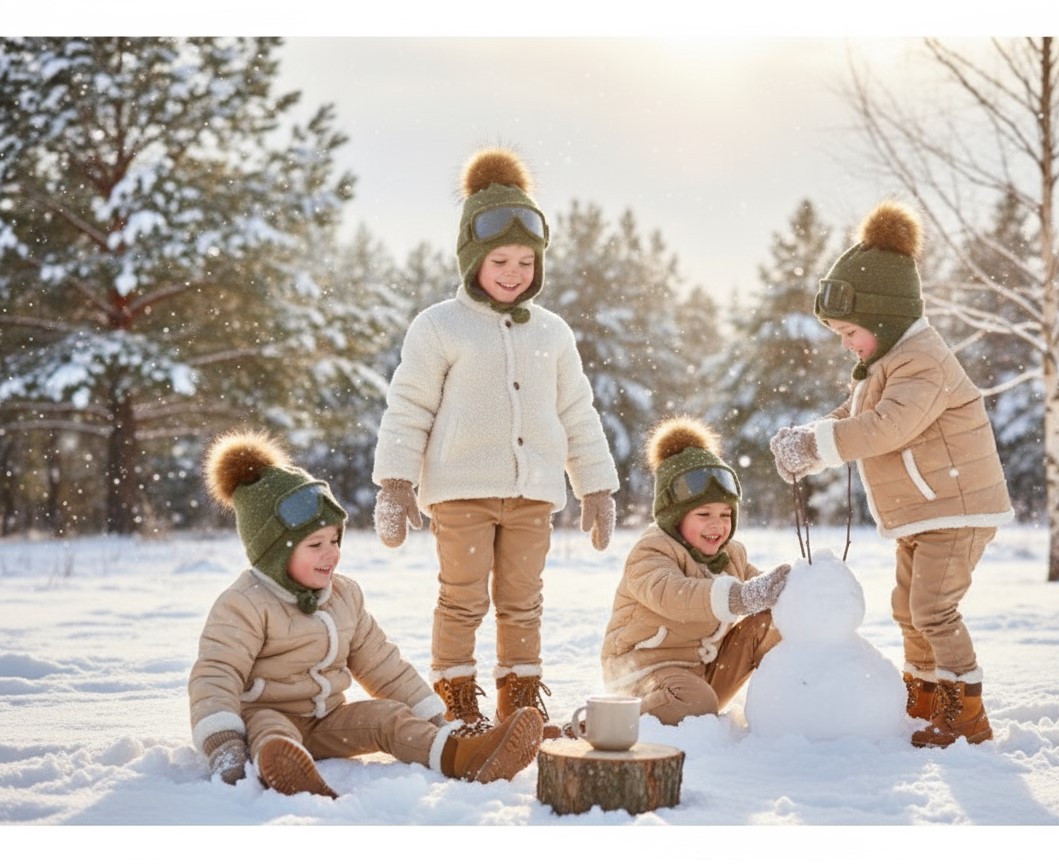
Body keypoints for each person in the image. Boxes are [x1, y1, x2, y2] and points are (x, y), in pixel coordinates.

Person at [371, 147, 619, 738]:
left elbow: (577, 412)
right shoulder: (439, 326)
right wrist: (395, 481)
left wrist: (597, 486)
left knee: (522, 601)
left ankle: (521, 706)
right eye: (500, 259)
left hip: (533, 493)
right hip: (461, 491)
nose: (513, 272)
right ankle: (456, 705)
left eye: (526, 261)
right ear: (472, 260)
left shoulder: (555, 333)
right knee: (462, 599)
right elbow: (408, 408)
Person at [769, 200, 1014, 748]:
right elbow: (856, 418)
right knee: (907, 609)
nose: (845, 343)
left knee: (933, 608)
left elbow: (886, 427)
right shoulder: (885, 364)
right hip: (925, 511)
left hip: (957, 508)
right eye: (838, 333)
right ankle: (925, 699)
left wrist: (820, 445)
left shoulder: (923, 360)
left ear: (884, 318)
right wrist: (808, 438)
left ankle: (965, 714)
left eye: (849, 331)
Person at [188, 430, 545, 797]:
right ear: (273, 552)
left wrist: (437, 720)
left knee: (388, 716)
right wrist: (224, 743)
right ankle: (285, 769)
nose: (331, 553)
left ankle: (462, 756)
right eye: (315, 544)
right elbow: (216, 674)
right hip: (267, 714)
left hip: (327, 719)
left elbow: (382, 665)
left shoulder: (344, 596)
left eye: (335, 540)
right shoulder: (245, 603)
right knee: (270, 728)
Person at [600, 416, 791, 726]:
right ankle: (607, 719)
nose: (717, 525)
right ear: (674, 516)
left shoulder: (731, 554)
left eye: (725, 514)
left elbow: (756, 586)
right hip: (645, 672)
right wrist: (740, 597)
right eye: (703, 514)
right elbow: (672, 594)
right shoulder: (651, 551)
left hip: (704, 672)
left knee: (769, 623)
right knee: (696, 703)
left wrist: (795, 586)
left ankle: (788, 701)